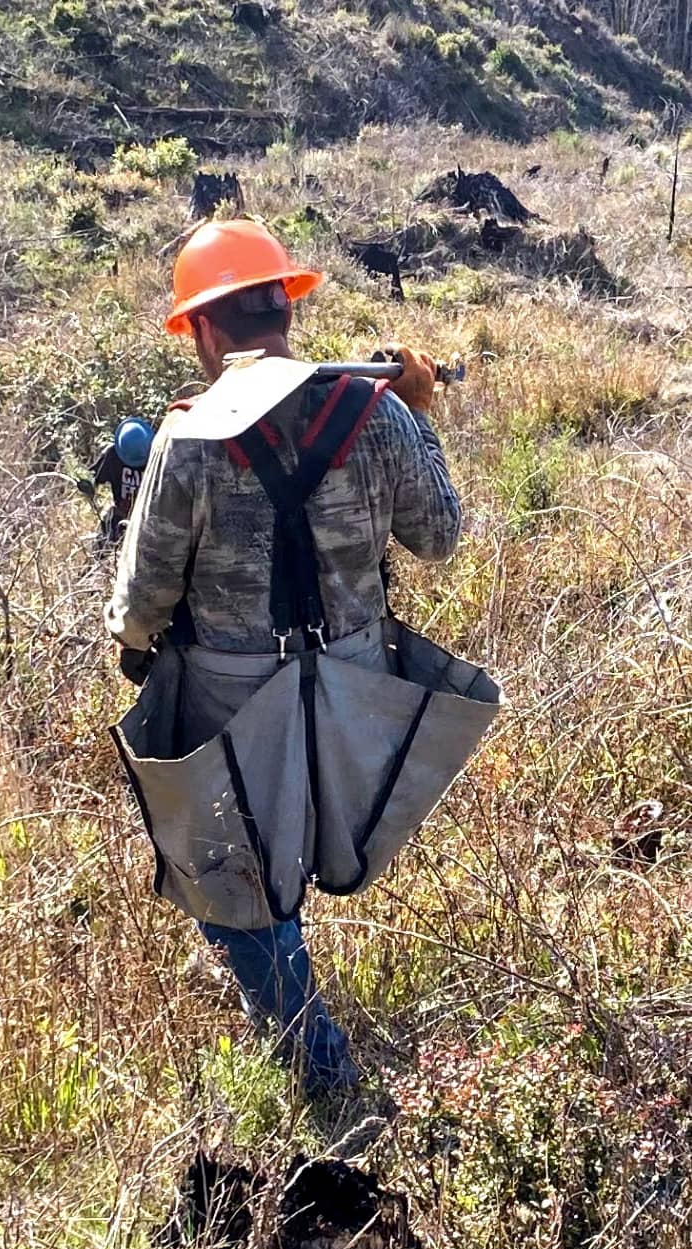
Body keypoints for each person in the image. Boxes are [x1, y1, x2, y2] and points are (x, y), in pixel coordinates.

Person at [106, 220, 473, 1098]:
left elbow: (143, 598)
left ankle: (320, 1065)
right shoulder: (375, 412)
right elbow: (441, 536)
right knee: (291, 858)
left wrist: (131, 646)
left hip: (233, 698)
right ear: (287, 311)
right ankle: (293, 1011)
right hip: (355, 687)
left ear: (200, 328)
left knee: (228, 877)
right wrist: (419, 417)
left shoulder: (187, 438)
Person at [82, 416, 154, 545]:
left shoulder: (156, 459)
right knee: (101, 548)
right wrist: (88, 484)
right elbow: (93, 476)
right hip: (120, 516)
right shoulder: (112, 456)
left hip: (149, 520)